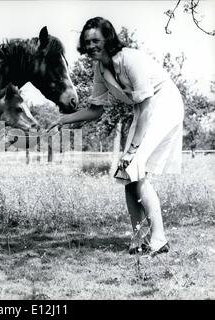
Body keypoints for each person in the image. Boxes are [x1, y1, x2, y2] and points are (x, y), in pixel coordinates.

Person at [49, 17, 184, 255]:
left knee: (136, 167)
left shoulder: (129, 59)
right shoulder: (100, 68)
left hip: (163, 105)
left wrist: (132, 150)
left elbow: (148, 106)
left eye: (96, 40)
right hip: (143, 110)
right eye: (87, 41)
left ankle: (159, 239)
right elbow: (95, 110)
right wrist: (62, 120)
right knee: (127, 175)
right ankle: (139, 239)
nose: (91, 46)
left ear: (108, 39)